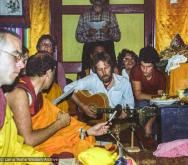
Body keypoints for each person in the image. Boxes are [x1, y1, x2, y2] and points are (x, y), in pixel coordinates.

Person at [6, 52, 109, 157]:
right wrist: (58, 124)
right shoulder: (20, 93)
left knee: (83, 144)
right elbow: (28, 140)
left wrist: (87, 131)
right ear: (49, 73)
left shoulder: (38, 95)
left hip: (43, 143)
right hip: (19, 150)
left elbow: (59, 126)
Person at [0, 29, 49, 163]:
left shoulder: (2, 98)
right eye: (16, 56)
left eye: (22, 59)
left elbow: (15, 149)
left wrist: (46, 161)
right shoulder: (17, 93)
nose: (22, 65)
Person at [64, 52, 134, 119]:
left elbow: (130, 106)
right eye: (100, 69)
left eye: (106, 68)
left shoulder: (124, 82)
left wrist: (125, 114)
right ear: (95, 71)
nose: (104, 72)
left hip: (117, 122)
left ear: (111, 67)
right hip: (95, 122)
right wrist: (82, 106)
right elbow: (67, 89)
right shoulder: (92, 79)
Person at [130, 46, 166, 137]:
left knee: (160, 112)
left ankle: (151, 135)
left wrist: (149, 123)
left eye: (148, 67)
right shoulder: (136, 70)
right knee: (143, 106)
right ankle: (147, 137)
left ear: (154, 65)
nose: (144, 70)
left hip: (155, 104)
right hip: (139, 102)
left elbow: (160, 103)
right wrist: (155, 97)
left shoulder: (160, 77)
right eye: (143, 66)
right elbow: (138, 95)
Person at [75, 0, 121, 72]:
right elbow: (78, 37)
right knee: (87, 73)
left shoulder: (110, 15)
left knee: (110, 71)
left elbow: (118, 37)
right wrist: (88, 33)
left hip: (107, 46)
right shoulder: (84, 15)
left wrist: (108, 31)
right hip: (89, 47)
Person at [36, 34, 69, 113]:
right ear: (38, 48)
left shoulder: (57, 65)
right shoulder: (32, 62)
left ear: (52, 50)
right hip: (37, 96)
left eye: (49, 45)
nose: (46, 46)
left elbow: (62, 86)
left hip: (54, 97)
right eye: (44, 44)